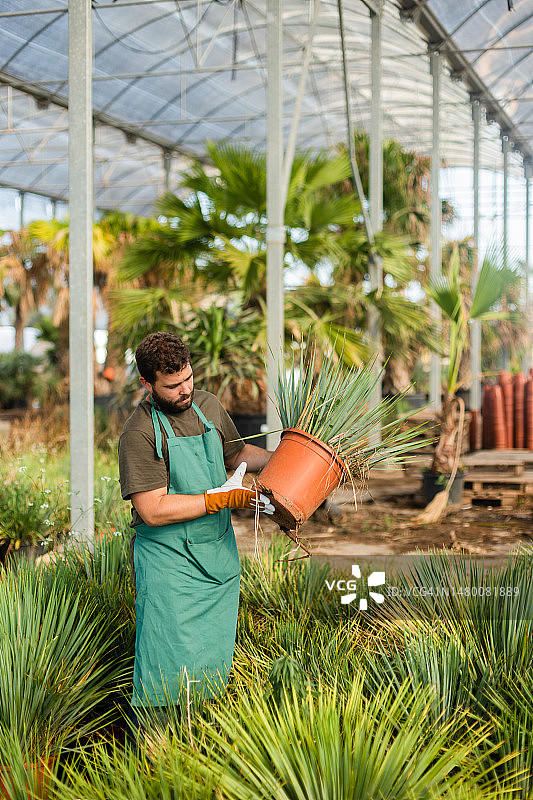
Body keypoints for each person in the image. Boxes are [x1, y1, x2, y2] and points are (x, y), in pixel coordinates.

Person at [118, 331, 274, 710]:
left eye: (188, 378)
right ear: (147, 384)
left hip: (216, 555)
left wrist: (285, 456)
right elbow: (153, 509)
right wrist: (216, 499)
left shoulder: (208, 405)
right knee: (165, 669)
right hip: (170, 567)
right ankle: (156, 741)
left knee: (211, 665)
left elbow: (236, 456)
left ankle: (200, 740)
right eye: (173, 386)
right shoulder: (139, 433)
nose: (185, 390)